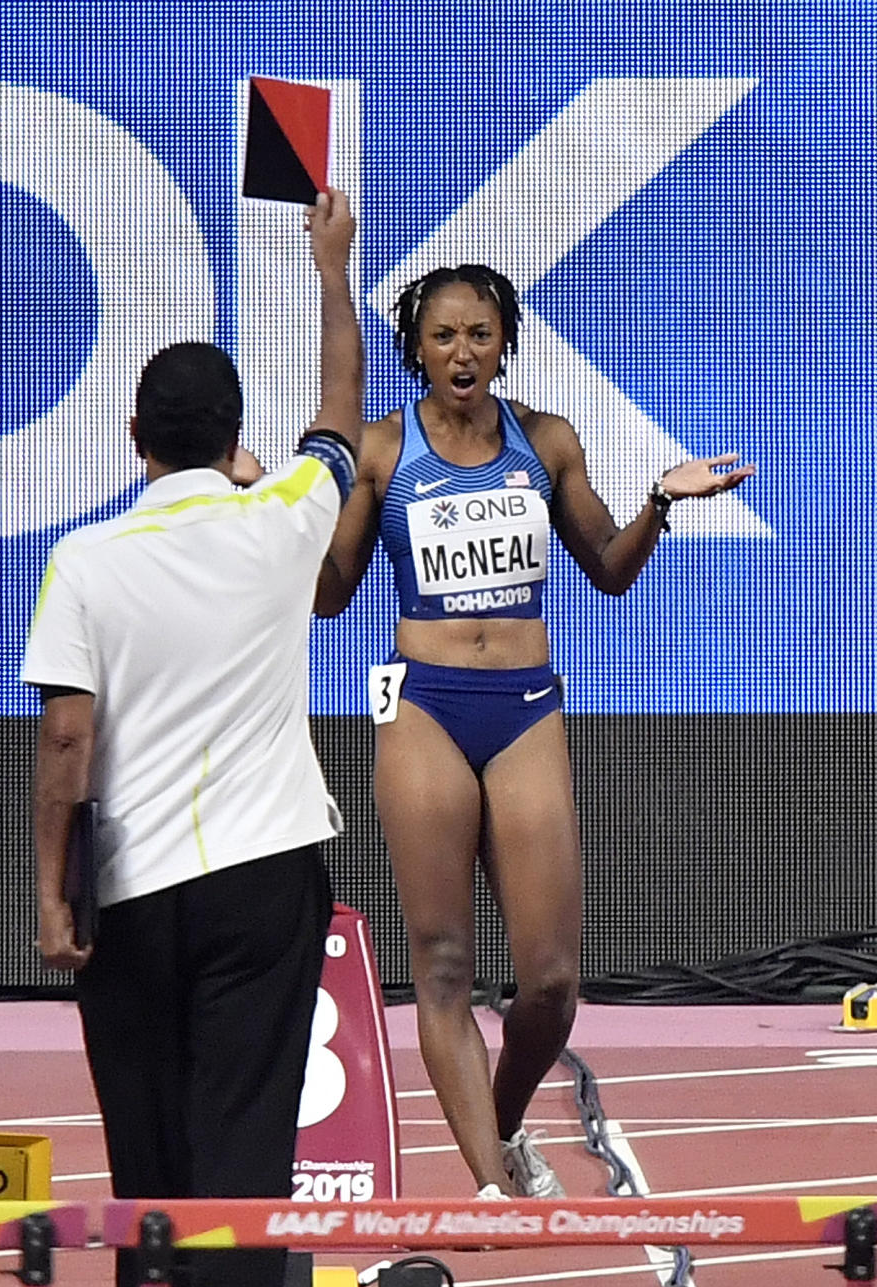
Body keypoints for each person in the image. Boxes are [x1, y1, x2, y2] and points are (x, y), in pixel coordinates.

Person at [22, 189, 361, 1287]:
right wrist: (333, 270)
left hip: (132, 882)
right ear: (232, 440)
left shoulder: (85, 560)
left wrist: (56, 891)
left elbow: (68, 739)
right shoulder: (281, 521)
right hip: (267, 880)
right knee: (242, 1133)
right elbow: (338, 418)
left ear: (132, 438)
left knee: (147, 1139)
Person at [315, 263, 753, 1201]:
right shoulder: (387, 453)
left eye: (479, 334)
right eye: (443, 337)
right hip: (425, 703)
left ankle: (502, 1128)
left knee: (551, 983)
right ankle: (492, 1191)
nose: (462, 353)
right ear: (415, 350)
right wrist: (292, 511)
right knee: (441, 964)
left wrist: (662, 505)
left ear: (505, 341)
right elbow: (326, 594)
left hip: (522, 706)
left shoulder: (545, 441)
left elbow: (609, 568)